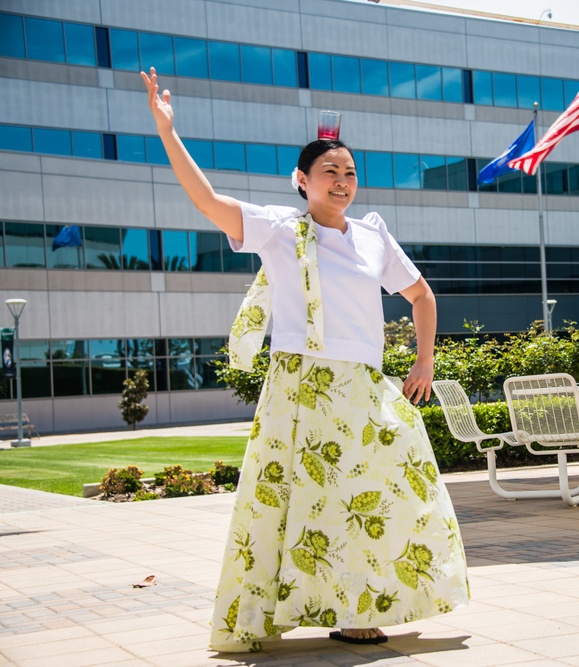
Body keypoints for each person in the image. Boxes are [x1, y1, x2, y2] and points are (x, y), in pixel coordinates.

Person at [141, 68, 469, 652]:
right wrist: (168, 131)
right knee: (298, 499)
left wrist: (424, 364)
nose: (342, 181)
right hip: (301, 385)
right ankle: (285, 611)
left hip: (365, 384)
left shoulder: (372, 235)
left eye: (349, 173)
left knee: (385, 492)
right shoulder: (278, 229)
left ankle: (360, 605)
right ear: (302, 179)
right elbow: (207, 200)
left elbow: (422, 295)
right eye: (329, 172)